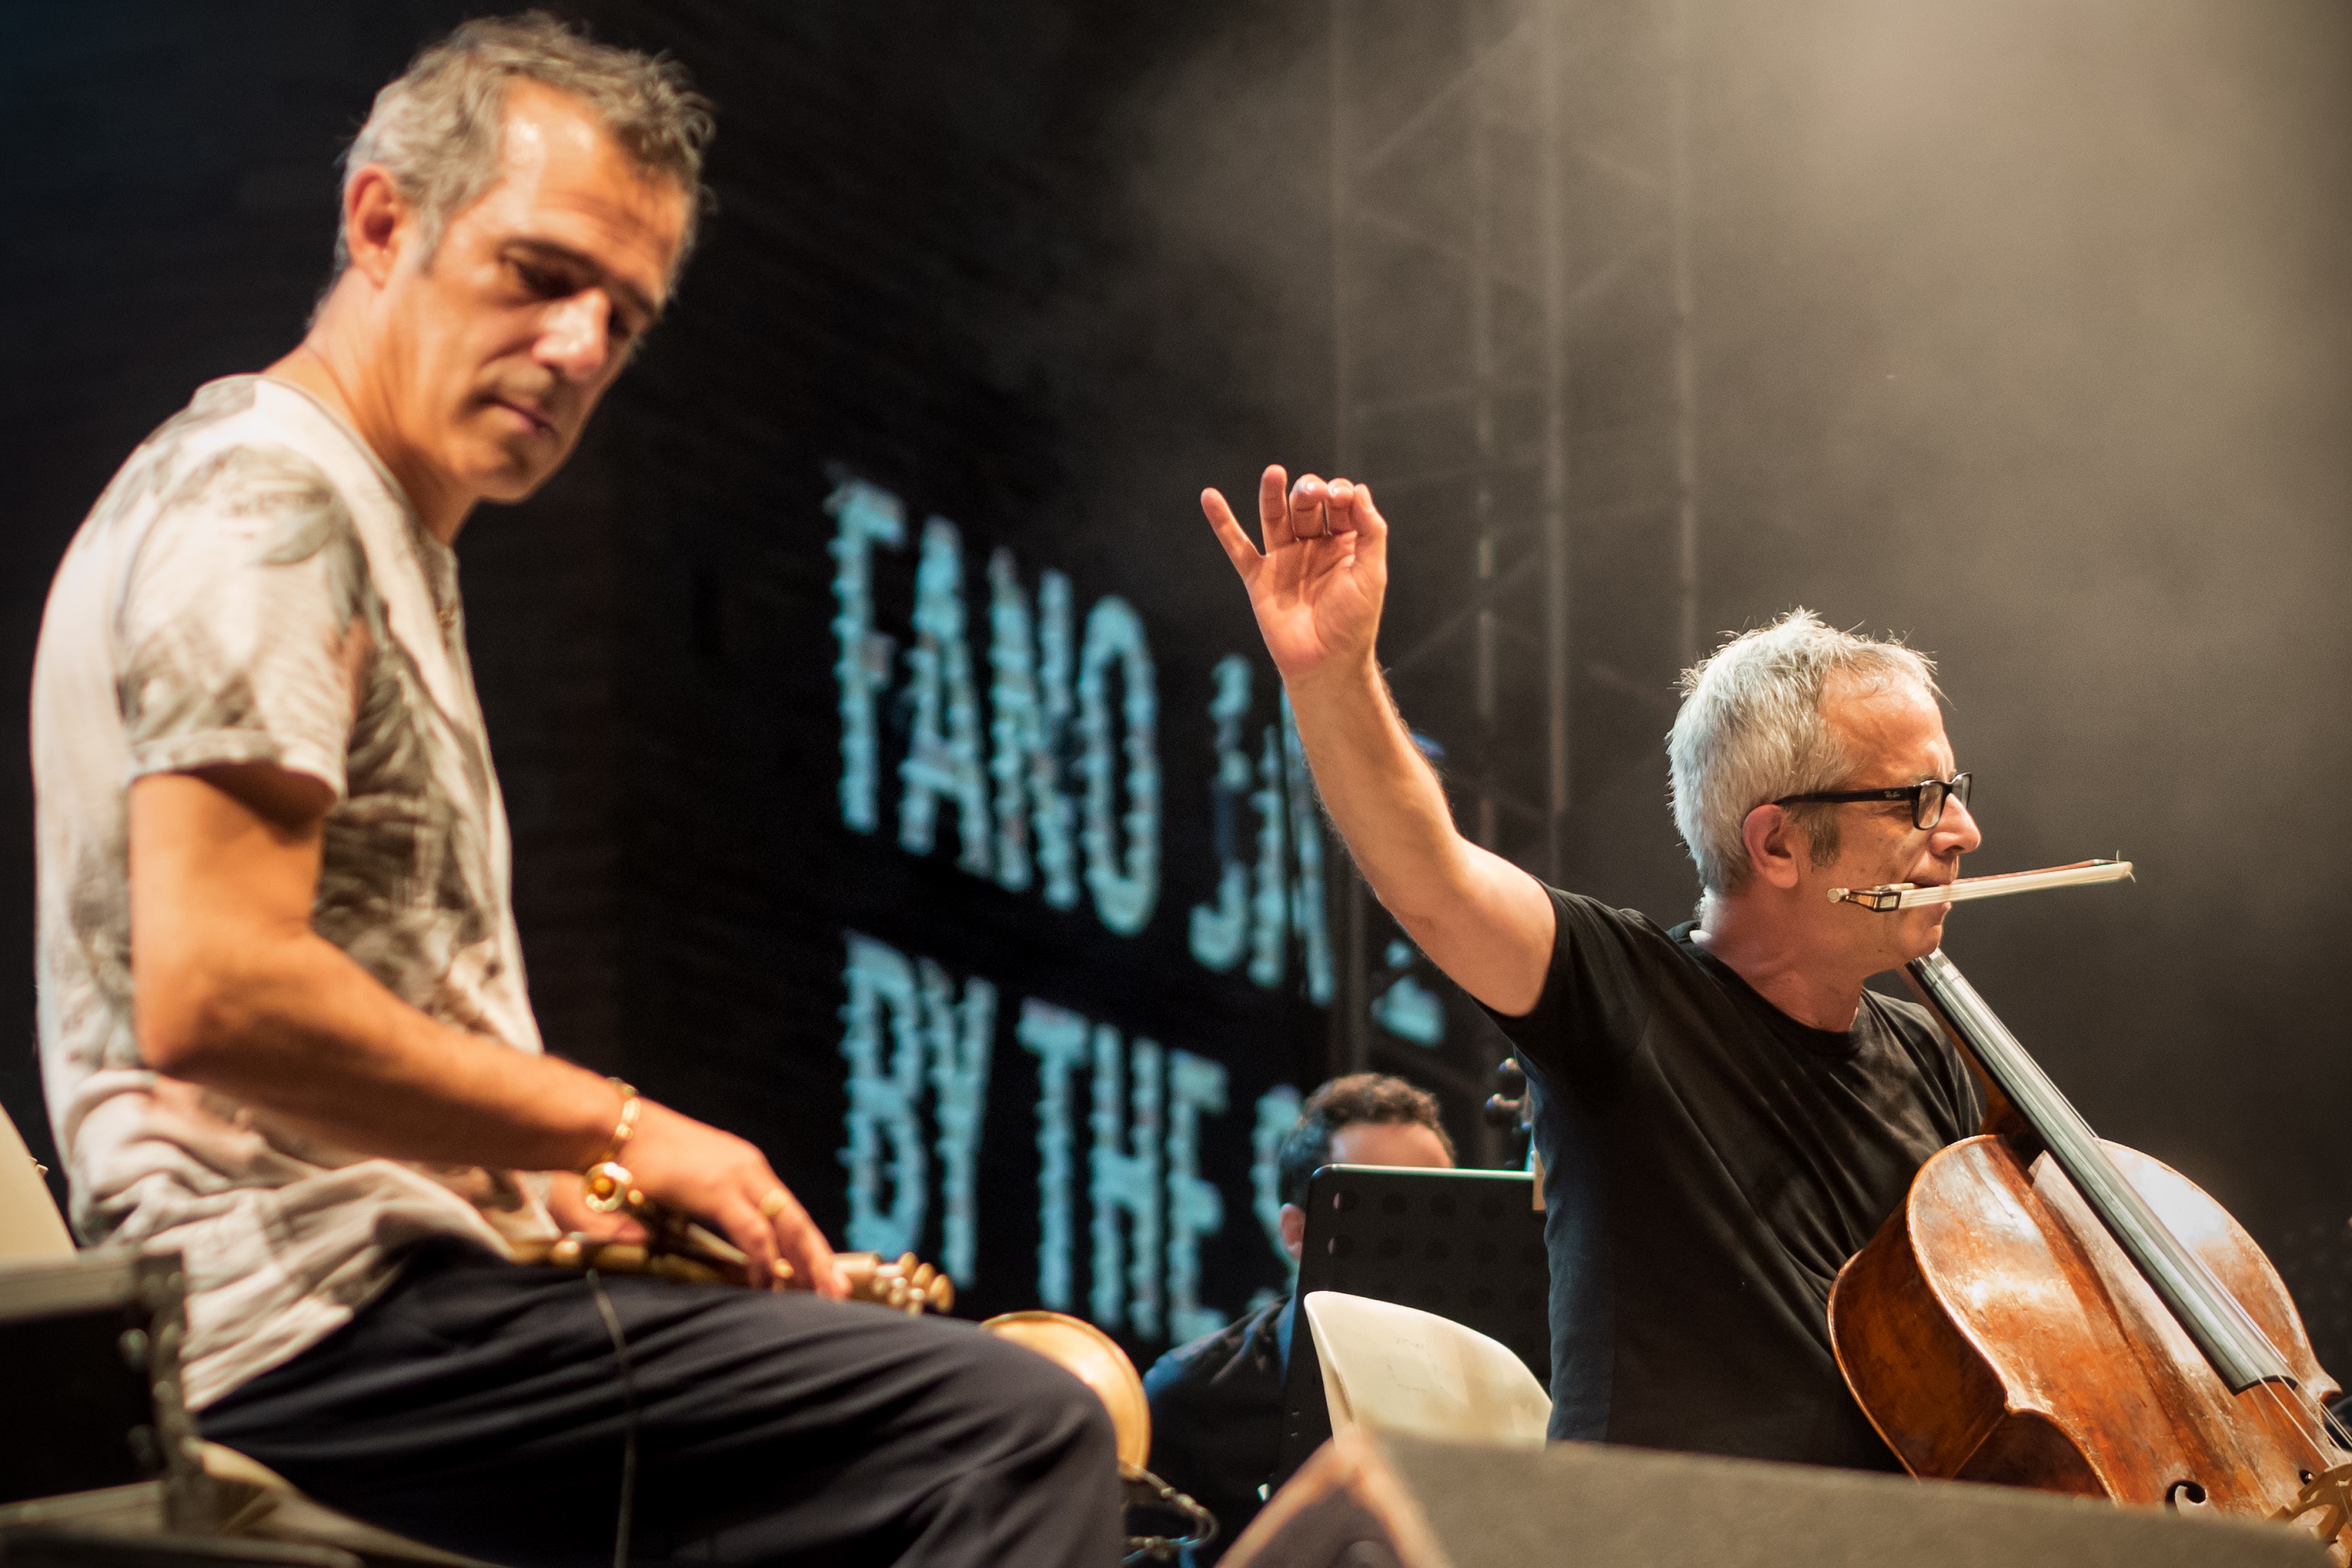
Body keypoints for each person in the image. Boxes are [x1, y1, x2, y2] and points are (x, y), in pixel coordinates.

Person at [32, 17, 1118, 1565]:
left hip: (358, 1301)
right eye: (542, 276)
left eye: (625, 313)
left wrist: (544, 1187)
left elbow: (305, 1036)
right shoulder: (268, 503)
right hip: (300, 1328)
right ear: (382, 219)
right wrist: (616, 1126)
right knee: (1009, 1426)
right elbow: (214, 993)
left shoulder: (366, 527)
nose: (583, 346)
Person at [1200, 468, 1986, 1470]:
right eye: (1915, 799)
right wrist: (1332, 674)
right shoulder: (1621, 997)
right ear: (1778, 845)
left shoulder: (1930, 1059)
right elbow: (1428, 876)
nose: (1961, 830)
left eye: (1952, 788)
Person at [1142, 1074, 1455, 1563]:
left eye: (1439, 1209)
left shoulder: (1503, 1384)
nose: (1416, 1239)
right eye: (1385, 1206)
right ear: (1297, 1232)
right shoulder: (1192, 1394)